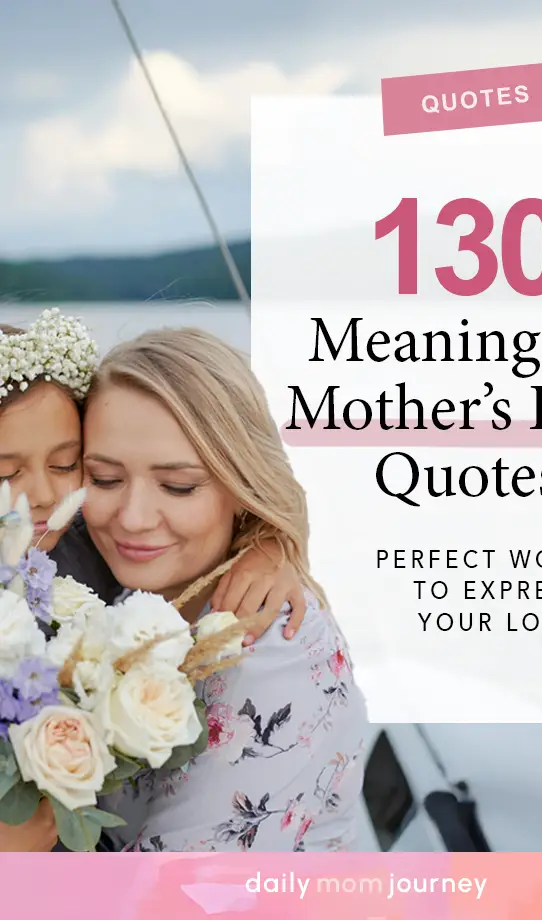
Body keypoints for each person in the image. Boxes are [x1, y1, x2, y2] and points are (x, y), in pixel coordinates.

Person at [0, 311, 308, 852]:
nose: (44, 495)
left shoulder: (69, 550)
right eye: (106, 479)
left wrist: (268, 540)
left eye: (70, 465)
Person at [83, 326, 368, 852]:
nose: (133, 517)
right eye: (103, 479)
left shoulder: (270, 653)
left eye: (179, 486)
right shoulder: (133, 592)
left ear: (242, 486)